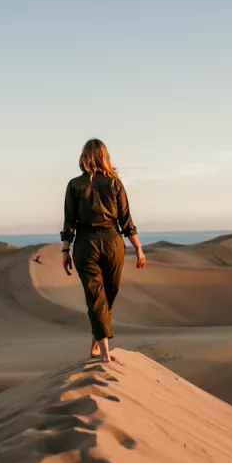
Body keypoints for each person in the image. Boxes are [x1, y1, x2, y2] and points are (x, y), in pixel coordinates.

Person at [60, 138, 146, 362]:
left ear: (85, 157)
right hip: (111, 242)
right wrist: (137, 248)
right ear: (105, 157)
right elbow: (126, 220)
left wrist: (65, 251)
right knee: (101, 297)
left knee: (103, 297)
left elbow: (69, 222)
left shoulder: (99, 184)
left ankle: (97, 343)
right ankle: (105, 354)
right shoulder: (98, 184)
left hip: (87, 243)